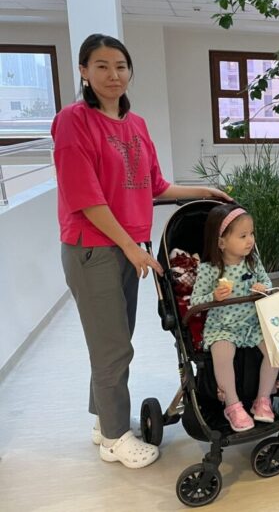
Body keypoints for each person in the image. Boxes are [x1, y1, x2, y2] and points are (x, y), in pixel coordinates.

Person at [53, 33, 230, 469]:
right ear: (83, 71)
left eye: (120, 66)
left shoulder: (136, 125)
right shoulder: (74, 121)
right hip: (94, 250)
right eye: (101, 66)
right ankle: (115, 438)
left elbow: (156, 185)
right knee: (113, 348)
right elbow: (87, 199)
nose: (113, 75)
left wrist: (204, 190)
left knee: (113, 341)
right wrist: (131, 248)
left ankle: (104, 422)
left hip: (128, 249)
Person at [190, 204, 278, 432]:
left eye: (251, 234)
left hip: (252, 323)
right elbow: (195, 302)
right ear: (222, 243)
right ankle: (232, 405)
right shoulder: (210, 269)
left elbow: (266, 282)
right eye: (243, 236)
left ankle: (263, 399)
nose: (250, 240)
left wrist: (262, 287)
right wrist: (213, 296)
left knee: (275, 350)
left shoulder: (253, 261)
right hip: (223, 325)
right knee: (222, 355)